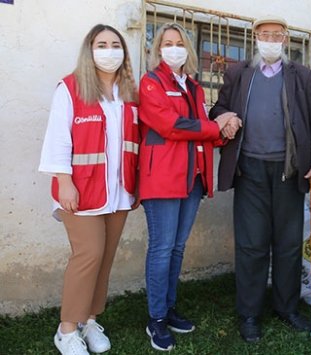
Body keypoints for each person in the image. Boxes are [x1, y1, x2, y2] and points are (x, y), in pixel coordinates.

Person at [209, 15, 311, 343]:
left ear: (286, 40)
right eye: (265, 35)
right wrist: (225, 116)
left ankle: (287, 308)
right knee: (251, 245)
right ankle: (249, 313)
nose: (271, 40)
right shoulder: (238, 73)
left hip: (290, 171)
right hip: (249, 170)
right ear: (255, 38)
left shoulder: (301, 75)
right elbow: (215, 109)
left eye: (277, 35)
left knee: (289, 244)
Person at [138, 22, 241, 351]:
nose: (173, 48)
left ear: (188, 50)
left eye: (179, 43)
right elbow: (171, 125)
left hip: (192, 178)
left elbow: (201, 126)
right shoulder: (151, 83)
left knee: (177, 248)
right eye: (166, 43)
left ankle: (168, 308)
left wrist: (226, 123)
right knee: (162, 247)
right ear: (158, 49)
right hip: (163, 178)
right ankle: (155, 318)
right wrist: (215, 127)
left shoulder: (194, 87)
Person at [39, 24, 140, 355]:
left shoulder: (128, 95)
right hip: (80, 192)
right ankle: (67, 329)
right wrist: (64, 182)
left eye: (115, 44)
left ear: (123, 52)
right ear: (89, 50)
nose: (109, 50)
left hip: (118, 192)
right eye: (101, 44)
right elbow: (58, 138)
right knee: (89, 255)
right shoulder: (70, 88)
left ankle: (89, 319)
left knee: (105, 258)